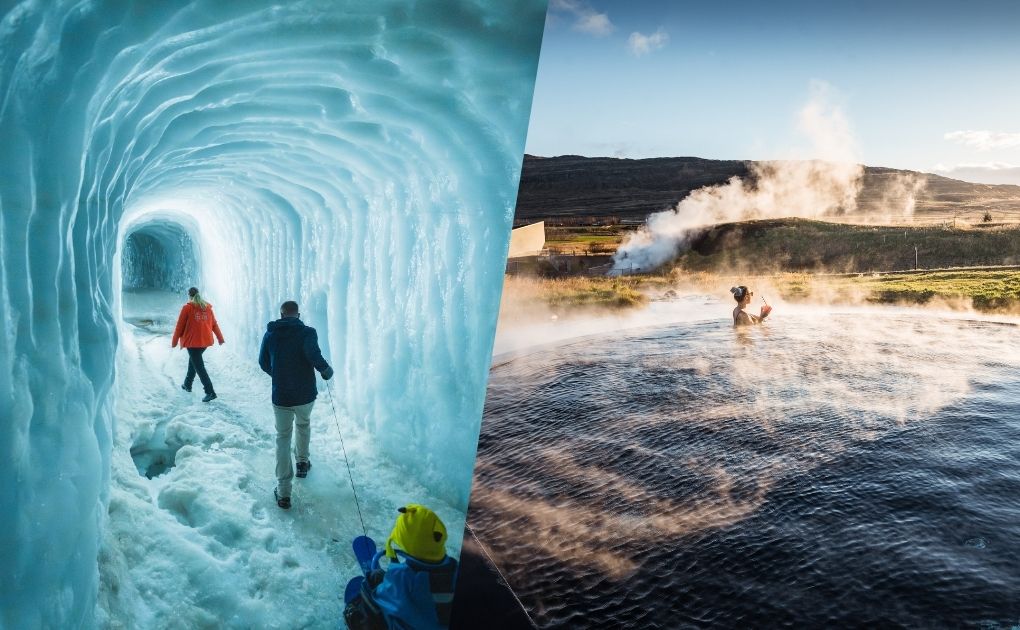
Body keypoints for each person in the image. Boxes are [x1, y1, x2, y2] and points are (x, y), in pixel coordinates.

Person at [258, 300, 333, 510]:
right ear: (297, 315)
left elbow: (263, 362)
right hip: (305, 394)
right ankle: (302, 462)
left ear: (281, 315)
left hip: (281, 396)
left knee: (283, 438)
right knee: (303, 425)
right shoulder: (308, 333)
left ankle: (284, 492)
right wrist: (325, 370)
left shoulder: (271, 334)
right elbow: (313, 355)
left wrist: (279, 376)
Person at [344, 504, 459, 630]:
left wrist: (375, 583)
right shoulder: (454, 568)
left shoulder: (402, 577)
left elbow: (382, 598)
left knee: (371, 585)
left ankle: (355, 614)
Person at [172, 287, 224, 403]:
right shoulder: (207, 308)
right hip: (204, 342)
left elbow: (179, 326)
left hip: (192, 343)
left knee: (199, 367)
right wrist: (220, 338)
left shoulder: (187, 308)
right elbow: (214, 325)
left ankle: (210, 392)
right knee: (194, 362)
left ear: (189, 296)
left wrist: (174, 341)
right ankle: (187, 384)